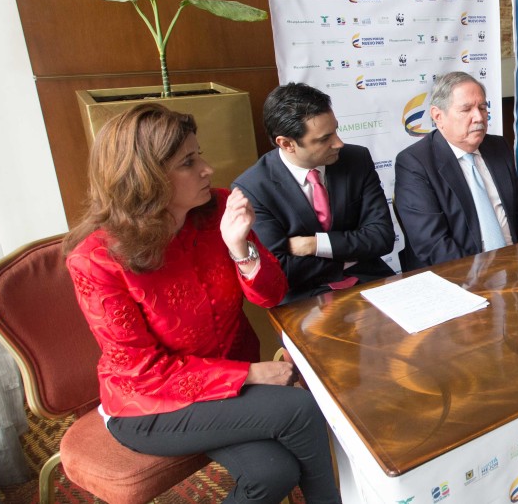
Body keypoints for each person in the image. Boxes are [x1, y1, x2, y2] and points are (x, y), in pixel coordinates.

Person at [64, 104, 339, 503]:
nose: (207, 169)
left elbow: (271, 295)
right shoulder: (97, 260)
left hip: (227, 389)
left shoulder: (218, 210)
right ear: (145, 178)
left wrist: (240, 248)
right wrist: (249, 374)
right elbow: (142, 372)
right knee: (301, 408)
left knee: (272, 473)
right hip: (149, 405)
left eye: (200, 155)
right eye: (188, 163)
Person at [233, 83, 395, 304]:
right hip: (304, 297)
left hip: (369, 279)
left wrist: (314, 245)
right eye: (324, 139)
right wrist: (348, 258)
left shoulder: (357, 159)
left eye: (336, 130)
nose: (338, 143)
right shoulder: (253, 188)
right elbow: (281, 269)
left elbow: (381, 238)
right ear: (287, 144)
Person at [394, 71, 518, 269]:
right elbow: (433, 244)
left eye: (482, 107)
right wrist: (484, 276)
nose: (479, 117)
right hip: (461, 274)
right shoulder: (415, 163)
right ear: (438, 116)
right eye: (466, 109)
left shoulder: (498, 147)